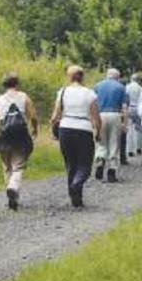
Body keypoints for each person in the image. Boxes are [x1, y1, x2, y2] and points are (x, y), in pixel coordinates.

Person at [50, 66, 102, 207]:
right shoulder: (89, 94)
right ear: (82, 77)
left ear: (69, 77)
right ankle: (77, 184)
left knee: (71, 164)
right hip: (83, 129)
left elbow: (55, 115)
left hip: (65, 128)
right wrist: (98, 132)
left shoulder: (63, 92)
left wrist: (52, 130)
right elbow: (96, 117)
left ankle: (75, 198)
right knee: (85, 164)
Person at [0, 73, 39, 210]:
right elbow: (33, 117)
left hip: (3, 136)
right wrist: (35, 129)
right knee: (19, 166)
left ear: (4, 85)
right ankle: (13, 188)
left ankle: (11, 195)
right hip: (21, 136)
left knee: (7, 167)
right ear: (17, 84)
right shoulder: (23, 97)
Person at [93, 69, 127, 183]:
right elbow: (124, 107)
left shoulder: (97, 86)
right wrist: (124, 123)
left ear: (107, 76)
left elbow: (94, 104)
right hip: (115, 115)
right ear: (117, 77)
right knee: (114, 143)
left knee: (101, 141)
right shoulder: (121, 87)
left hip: (101, 114)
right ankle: (111, 171)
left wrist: (94, 119)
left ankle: (100, 160)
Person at [126, 73, 142, 157]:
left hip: (129, 108)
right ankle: (139, 147)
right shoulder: (141, 89)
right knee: (139, 129)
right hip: (138, 109)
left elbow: (125, 99)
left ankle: (129, 149)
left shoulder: (127, 87)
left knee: (130, 129)